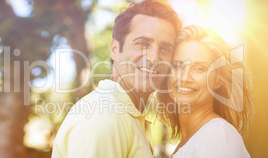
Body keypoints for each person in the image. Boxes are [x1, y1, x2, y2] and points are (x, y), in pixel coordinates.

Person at [52, 1, 181, 158]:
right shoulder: (104, 116)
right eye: (142, 44)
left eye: (165, 49)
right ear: (114, 50)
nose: (154, 58)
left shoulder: (123, 113)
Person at [157, 25, 254, 158]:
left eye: (198, 68)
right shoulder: (192, 139)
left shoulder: (219, 136)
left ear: (218, 80)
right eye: (177, 66)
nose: (184, 78)